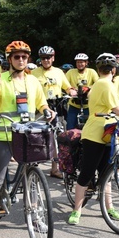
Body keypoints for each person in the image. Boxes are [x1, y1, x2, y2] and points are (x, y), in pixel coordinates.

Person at [0, 40, 52, 238]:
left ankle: (36, 216)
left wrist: (47, 111)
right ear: (9, 59)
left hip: (27, 135)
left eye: (24, 57)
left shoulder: (33, 81)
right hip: (3, 136)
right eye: (17, 57)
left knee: (33, 178)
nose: (21, 60)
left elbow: (41, 103)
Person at [68, 53, 119, 226]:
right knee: (87, 172)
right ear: (114, 70)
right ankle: (77, 210)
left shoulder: (99, 84)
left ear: (98, 70)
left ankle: (108, 208)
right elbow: (117, 109)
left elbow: (112, 109)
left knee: (106, 173)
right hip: (95, 133)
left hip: (106, 132)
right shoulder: (105, 84)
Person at [32, 45, 76, 178]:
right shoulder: (34, 73)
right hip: (40, 108)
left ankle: (55, 168)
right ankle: (32, 167)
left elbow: (67, 87)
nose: (46, 60)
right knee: (36, 137)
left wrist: (72, 92)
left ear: (53, 58)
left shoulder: (58, 72)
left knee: (58, 138)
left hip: (57, 107)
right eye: (43, 58)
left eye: (49, 57)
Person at [65, 53, 99, 129]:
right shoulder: (71, 72)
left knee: (90, 126)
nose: (79, 64)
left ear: (86, 63)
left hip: (88, 104)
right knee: (70, 126)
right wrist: (71, 90)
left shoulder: (91, 72)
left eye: (81, 62)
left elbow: (98, 83)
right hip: (74, 104)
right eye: (78, 62)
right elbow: (65, 84)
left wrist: (88, 88)